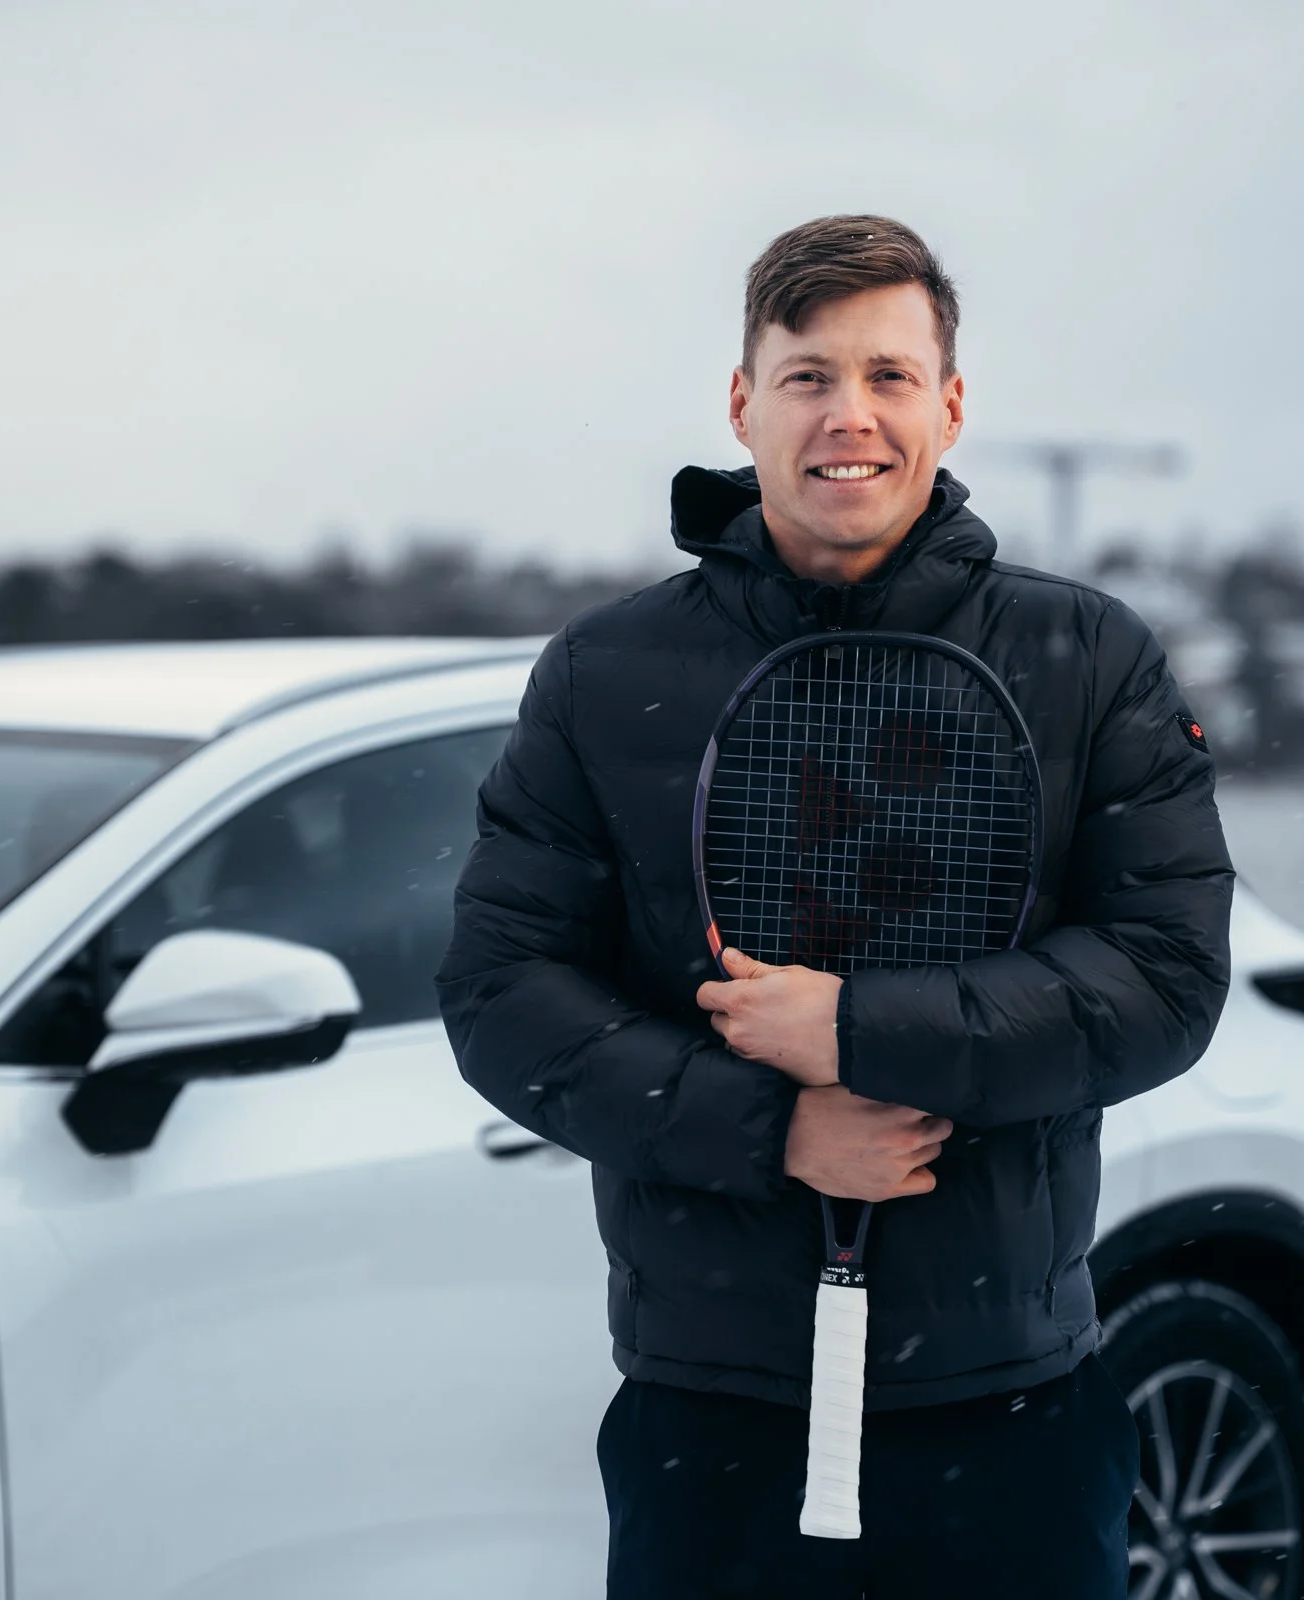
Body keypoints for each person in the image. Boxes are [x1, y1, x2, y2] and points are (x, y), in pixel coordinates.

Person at [436, 215, 1234, 1598]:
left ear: (950, 406)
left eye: (888, 376)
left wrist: (859, 1029)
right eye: (807, 377)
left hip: (1011, 1403)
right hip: (711, 1411)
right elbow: (502, 994)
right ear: (742, 404)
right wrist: (777, 1130)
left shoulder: (1090, 656)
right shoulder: (601, 670)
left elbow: (1164, 977)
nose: (847, 416)